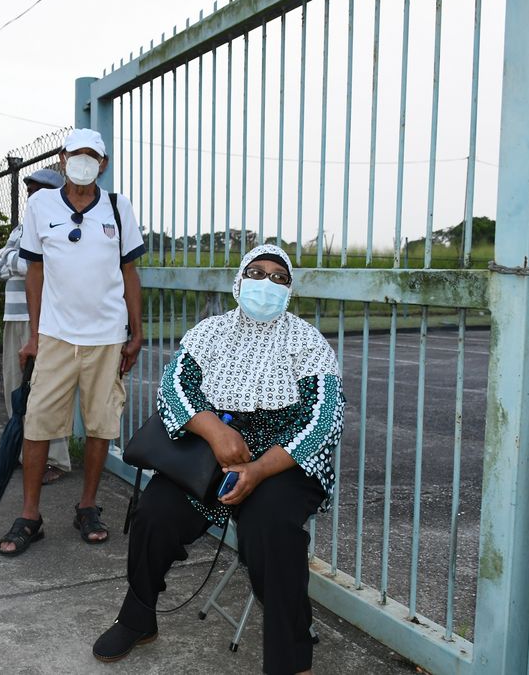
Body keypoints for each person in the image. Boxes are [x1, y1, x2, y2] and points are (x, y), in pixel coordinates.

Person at [91, 244, 345, 675]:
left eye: (279, 278)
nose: (267, 284)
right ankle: (137, 618)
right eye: (257, 272)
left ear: (290, 291)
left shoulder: (307, 342)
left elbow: (323, 420)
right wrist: (216, 431)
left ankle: (291, 659)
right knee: (154, 512)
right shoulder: (210, 332)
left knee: (271, 531)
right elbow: (174, 389)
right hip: (211, 452)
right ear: (239, 281)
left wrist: (259, 468)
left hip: (282, 461)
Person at [0, 128, 145, 555]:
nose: (82, 162)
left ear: (104, 164)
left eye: (91, 156)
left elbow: (130, 274)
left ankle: (88, 506)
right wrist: (35, 335)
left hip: (106, 337)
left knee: (100, 424)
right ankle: (30, 515)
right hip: (57, 337)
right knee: (38, 422)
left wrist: (136, 333)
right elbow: (35, 274)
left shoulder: (118, 208)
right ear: (62, 159)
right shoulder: (41, 205)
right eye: (75, 154)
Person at [0, 168, 72, 485]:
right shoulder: (23, 227)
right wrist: (27, 261)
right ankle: (24, 454)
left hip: (45, 318)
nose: (31, 197)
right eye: (29, 191)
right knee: (16, 387)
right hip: (15, 316)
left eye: (38, 191)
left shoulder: (62, 225)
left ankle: (56, 459)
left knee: (45, 390)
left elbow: (54, 266)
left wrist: (20, 259)